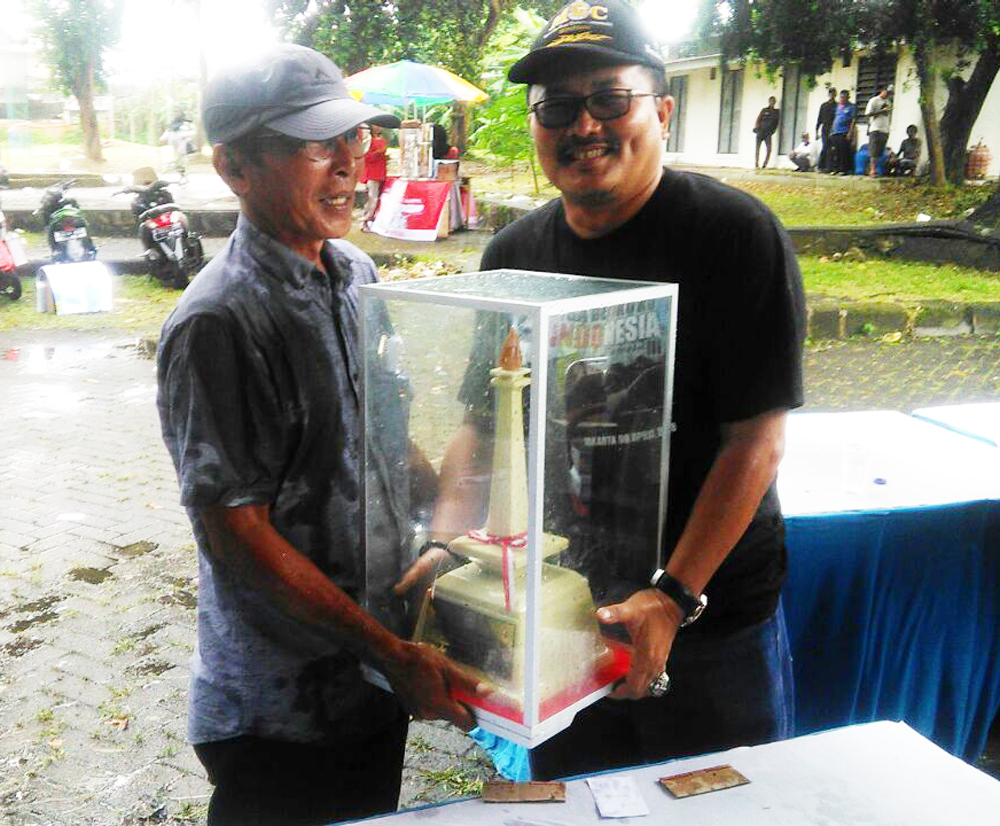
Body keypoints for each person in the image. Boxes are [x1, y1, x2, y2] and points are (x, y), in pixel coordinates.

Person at [410, 0, 805, 780]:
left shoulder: (734, 236)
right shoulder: (514, 254)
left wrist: (673, 596)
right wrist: (444, 545)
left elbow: (755, 444)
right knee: (579, 801)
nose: (584, 125)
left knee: (720, 806)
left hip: (709, 625)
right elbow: (483, 428)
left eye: (609, 99)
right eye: (558, 106)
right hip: (565, 614)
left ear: (662, 111)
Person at [156, 44, 480, 826]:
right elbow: (236, 537)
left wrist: (449, 538)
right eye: (312, 144)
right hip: (282, 712)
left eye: (352, 137)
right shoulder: (219, 322)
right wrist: (391, 653)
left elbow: (384, 435)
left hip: (372, 685)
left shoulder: (356, 274)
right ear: (234, 167)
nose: (347, 163)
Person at [360, 123, 388, 230]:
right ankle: (365, 220)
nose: (379, 128)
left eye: (380, 126)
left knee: (376, 198)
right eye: (376, 126)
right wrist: (378, 153)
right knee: (372, 198)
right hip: (372, 173)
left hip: (381, 172)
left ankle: (371, 220)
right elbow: (365, 157)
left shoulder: (383, 140)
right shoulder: (368, 140)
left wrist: (384, 156)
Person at [864, 85, 892, 177]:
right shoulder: (874, 100)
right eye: (887, 92)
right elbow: (868, 114)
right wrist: (881, 111)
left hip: (885, 129)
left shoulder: (888, 102)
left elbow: (888, 116)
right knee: (873, 151)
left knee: (880, 152)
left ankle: (876, 170)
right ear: (882, 91)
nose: (888, 95)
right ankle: (872, 170)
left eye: (890, 93)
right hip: (875, 128)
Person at [829, 89, 857, 175]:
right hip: (835, 132)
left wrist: (850, 132)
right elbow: (835, 119)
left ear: (848, 97)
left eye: (844, 97)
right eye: (841, 97)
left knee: (843, 151)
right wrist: (831, 130)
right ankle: (835, 168)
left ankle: (843, 169)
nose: (842, 99)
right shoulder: (837, 107)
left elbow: (853, 120)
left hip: (844, 131)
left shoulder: (851, 107)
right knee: (835, 151)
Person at [754, 96, 780, 168]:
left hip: (768, 133)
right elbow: (758, 119)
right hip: (761, 131)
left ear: (775, 102)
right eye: (771, 101)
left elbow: (777, 123)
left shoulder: (776, 112)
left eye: (773, 101)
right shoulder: (764, 110)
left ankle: (765, 164)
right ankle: (756, 164)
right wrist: (757, 128)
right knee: (757, 148)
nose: (772, 103)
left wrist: (772, 131)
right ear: (769, 102)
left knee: (769, 149)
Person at [815, 88, 837, 172]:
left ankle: (829, 167)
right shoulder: (824, 105)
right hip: (825, 128)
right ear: (828, 94)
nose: (832, 95)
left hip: (833, 129)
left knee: (831, 148)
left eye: (833, 94)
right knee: (825, 147)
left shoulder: (837, 106)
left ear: (835, 95)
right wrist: (816, 130)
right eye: (830, 93)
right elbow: (819, 118)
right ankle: (821, 166)